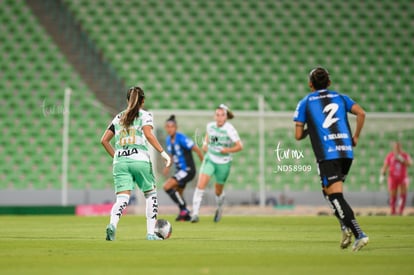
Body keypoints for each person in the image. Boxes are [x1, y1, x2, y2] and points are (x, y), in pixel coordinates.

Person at [293, 67, 369, 251]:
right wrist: (356, 137)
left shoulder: (305, 102)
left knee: (335, 195)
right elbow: (361, 113)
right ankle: (344, 226)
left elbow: (297, 135)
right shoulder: (341, 97)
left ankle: (359, 233)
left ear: (310, 84)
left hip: (328, 154)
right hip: (346, 152)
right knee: (328, 192)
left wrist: (310, 128)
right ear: (329, 83)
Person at [101, 86, 171, 241]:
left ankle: (112, 225)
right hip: (139, 158)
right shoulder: (145, 115)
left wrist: (117, 157)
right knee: (151, 195)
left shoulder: (118, 117)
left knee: (122, 199)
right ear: (143, 101)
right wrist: (163, 153)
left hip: (120, 160)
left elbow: (104, 140)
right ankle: (151, 234)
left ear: (127, 100)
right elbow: (148, 134)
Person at [191, 104, 243, 223]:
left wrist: (227, 150)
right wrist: (205, 144)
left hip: (224, 162)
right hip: (210, 158)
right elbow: (210, 137)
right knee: (200, 185)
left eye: (222, 115)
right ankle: (195, 214)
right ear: (215, 116)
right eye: (217, 115)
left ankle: (219, 208)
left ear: (226, 117)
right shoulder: (210, 126)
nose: (219, 117)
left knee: (218, 190)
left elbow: (240, 146)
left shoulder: (230, 129)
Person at [163, 115, 204, 221]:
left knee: (167, 187)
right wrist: (168, 165)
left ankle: (184, 209)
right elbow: (172, 155)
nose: (169, 128)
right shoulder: (168, 140)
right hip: (180, 171)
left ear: (176, 127)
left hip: (187, 170)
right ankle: (184, 214)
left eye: (172, 126)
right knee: (178, 193)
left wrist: (204, 164)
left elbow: (197, 149)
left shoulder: (181, 138)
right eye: (167, 126)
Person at [380, 141, 412, 215]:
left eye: (398, 147)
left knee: (403, 194)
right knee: (393, 195)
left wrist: (401, 159)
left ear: (400, 147)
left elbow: (409, 163)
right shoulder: (390, 155)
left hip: (403, 177)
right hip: (392, 177)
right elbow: (385, 166)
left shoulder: (404, 155)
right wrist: (382, 175)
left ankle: (400, 211)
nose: (397, 148)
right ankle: (393, 211)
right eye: (395, 147)